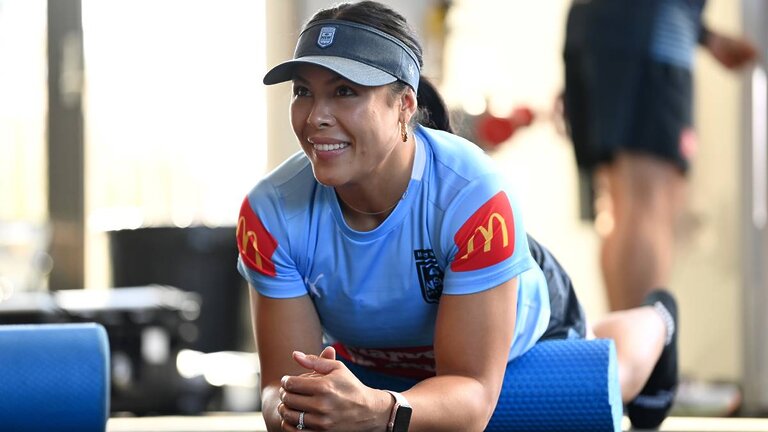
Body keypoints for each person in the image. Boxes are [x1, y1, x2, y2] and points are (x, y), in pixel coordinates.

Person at [236, 2, 677, 430]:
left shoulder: (473, 195)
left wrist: (379, 411)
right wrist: (301, 412)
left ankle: (659, 319)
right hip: (377, 364)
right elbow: (280, 387)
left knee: (608, 382)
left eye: (345, 91)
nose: (316, 117)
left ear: (404, 105)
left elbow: (472, 396)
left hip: (514, 346)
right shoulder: (269, 212)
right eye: (303, 92)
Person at [562, 0, 757, 312]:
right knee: (648, 204)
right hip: (650, 33)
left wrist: (704, 35)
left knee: (626, 206)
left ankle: (626, 351)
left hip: (604, 24)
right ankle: (642, 355)